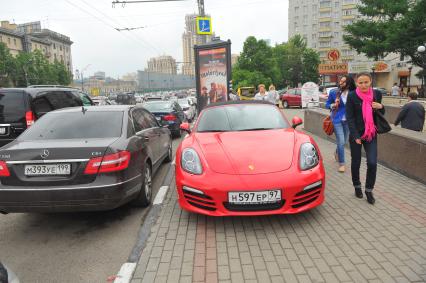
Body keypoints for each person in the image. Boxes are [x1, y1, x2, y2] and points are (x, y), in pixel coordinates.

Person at [346, 72, 385, 205]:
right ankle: (357, 186)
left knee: (372, 163)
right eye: (360, 82)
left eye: (366, 82)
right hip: (356, 134)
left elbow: (380, 114)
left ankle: (369, 190)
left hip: (371, 133)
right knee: (356, 162)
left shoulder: (377, 94)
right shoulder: (352, 96)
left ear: (370, 82)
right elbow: (350, 118)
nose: (363, 85)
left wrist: (381, 107)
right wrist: (356, 135)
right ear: (357, 83)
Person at [325, 75, 356, 173]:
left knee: (343, 142)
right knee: (341, 141)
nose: (341, 83)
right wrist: (332, 105)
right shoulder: (334, 92)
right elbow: (327, 104)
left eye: (343, 82)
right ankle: (342, 164)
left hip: (348, 121)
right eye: (340, 81)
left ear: (349, 83)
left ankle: (337, 152)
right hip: (337, 120)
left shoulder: (353, 93)